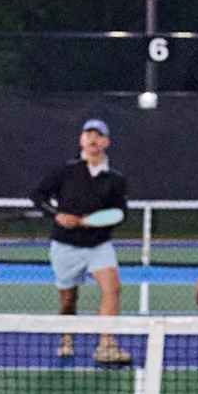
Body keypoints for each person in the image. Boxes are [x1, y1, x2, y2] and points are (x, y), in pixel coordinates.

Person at [34, 116, 132, 365]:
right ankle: (68, 336)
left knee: (113, 288)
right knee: (68, 300)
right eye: (88, 134)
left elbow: (120, 213)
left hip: (98, 246)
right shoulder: (66, 171)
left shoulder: (116, 179)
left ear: (106, 142)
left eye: (98, 135)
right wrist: (57, 215)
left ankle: (106, 345)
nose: (93, 139)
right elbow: (37, 195)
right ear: (81, 140)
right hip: (65, 246)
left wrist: (91, 221)